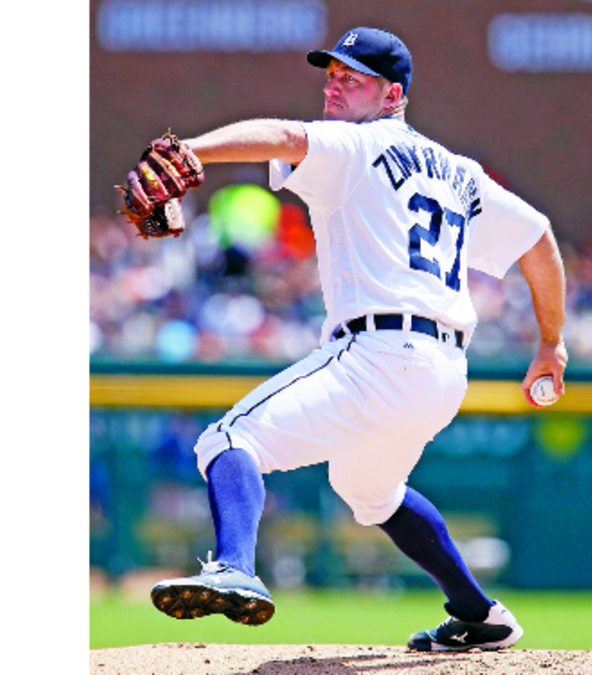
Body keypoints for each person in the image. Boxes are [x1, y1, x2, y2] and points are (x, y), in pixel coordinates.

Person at [147, 27, 568, 652]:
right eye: (331, 75)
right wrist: (551, 342)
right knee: (369, 492)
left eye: (353, 78)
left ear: (392, 94)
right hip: (442, 373)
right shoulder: (461, 174)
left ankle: (234, 567)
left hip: (378, 353)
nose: (334, 86)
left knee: (228, 440)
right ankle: (479, 613)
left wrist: (191, 153)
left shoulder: (358, 144)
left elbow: (284, 136)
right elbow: (538, 239)